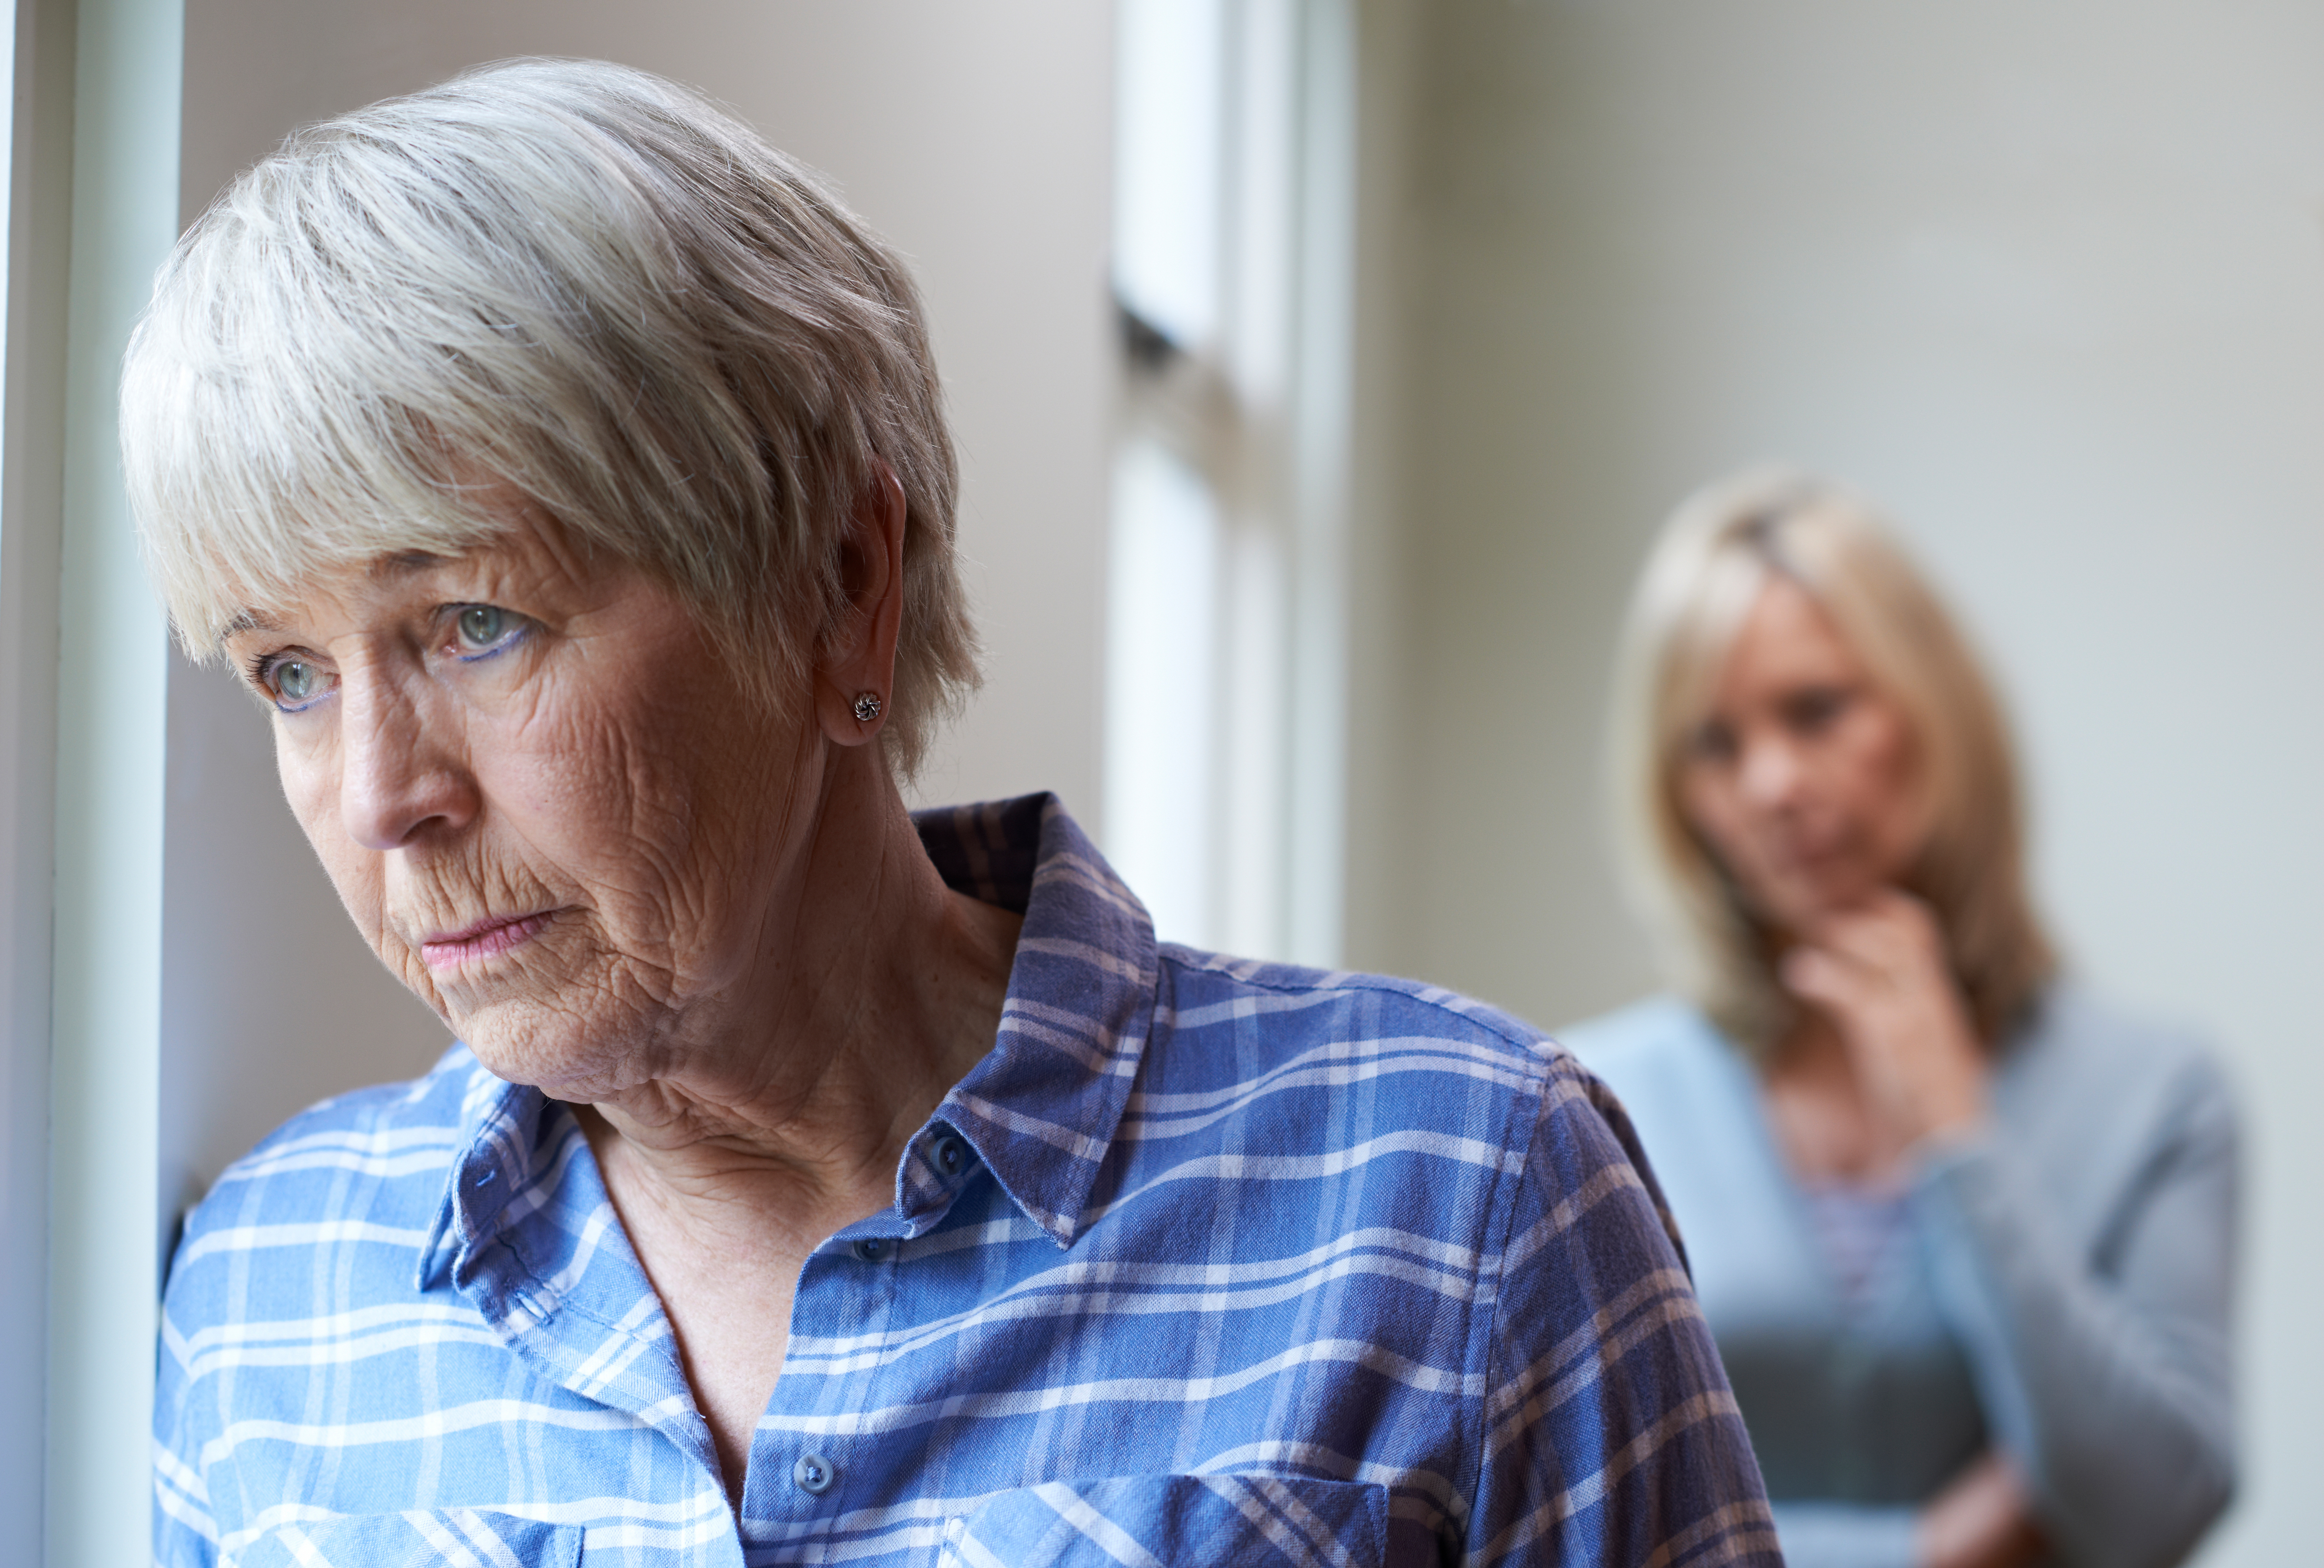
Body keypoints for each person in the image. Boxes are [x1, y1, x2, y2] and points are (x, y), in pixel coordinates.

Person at [129, 59, 1777, 1568]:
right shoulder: (268, 1287)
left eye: (475, 623)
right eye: (288, 674)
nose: (380, 799)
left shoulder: (1458, 1185)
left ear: (842, 589)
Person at [1561, 472, 2236, 1568]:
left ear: (1935, 713)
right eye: (1715, 746)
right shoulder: (1593, 1097)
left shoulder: (2159, 1094)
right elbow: (1565, 1525)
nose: (1773, 782)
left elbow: (2158, 1505)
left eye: (1816, 711)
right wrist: (1925, 1553)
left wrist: (1957, 1134)